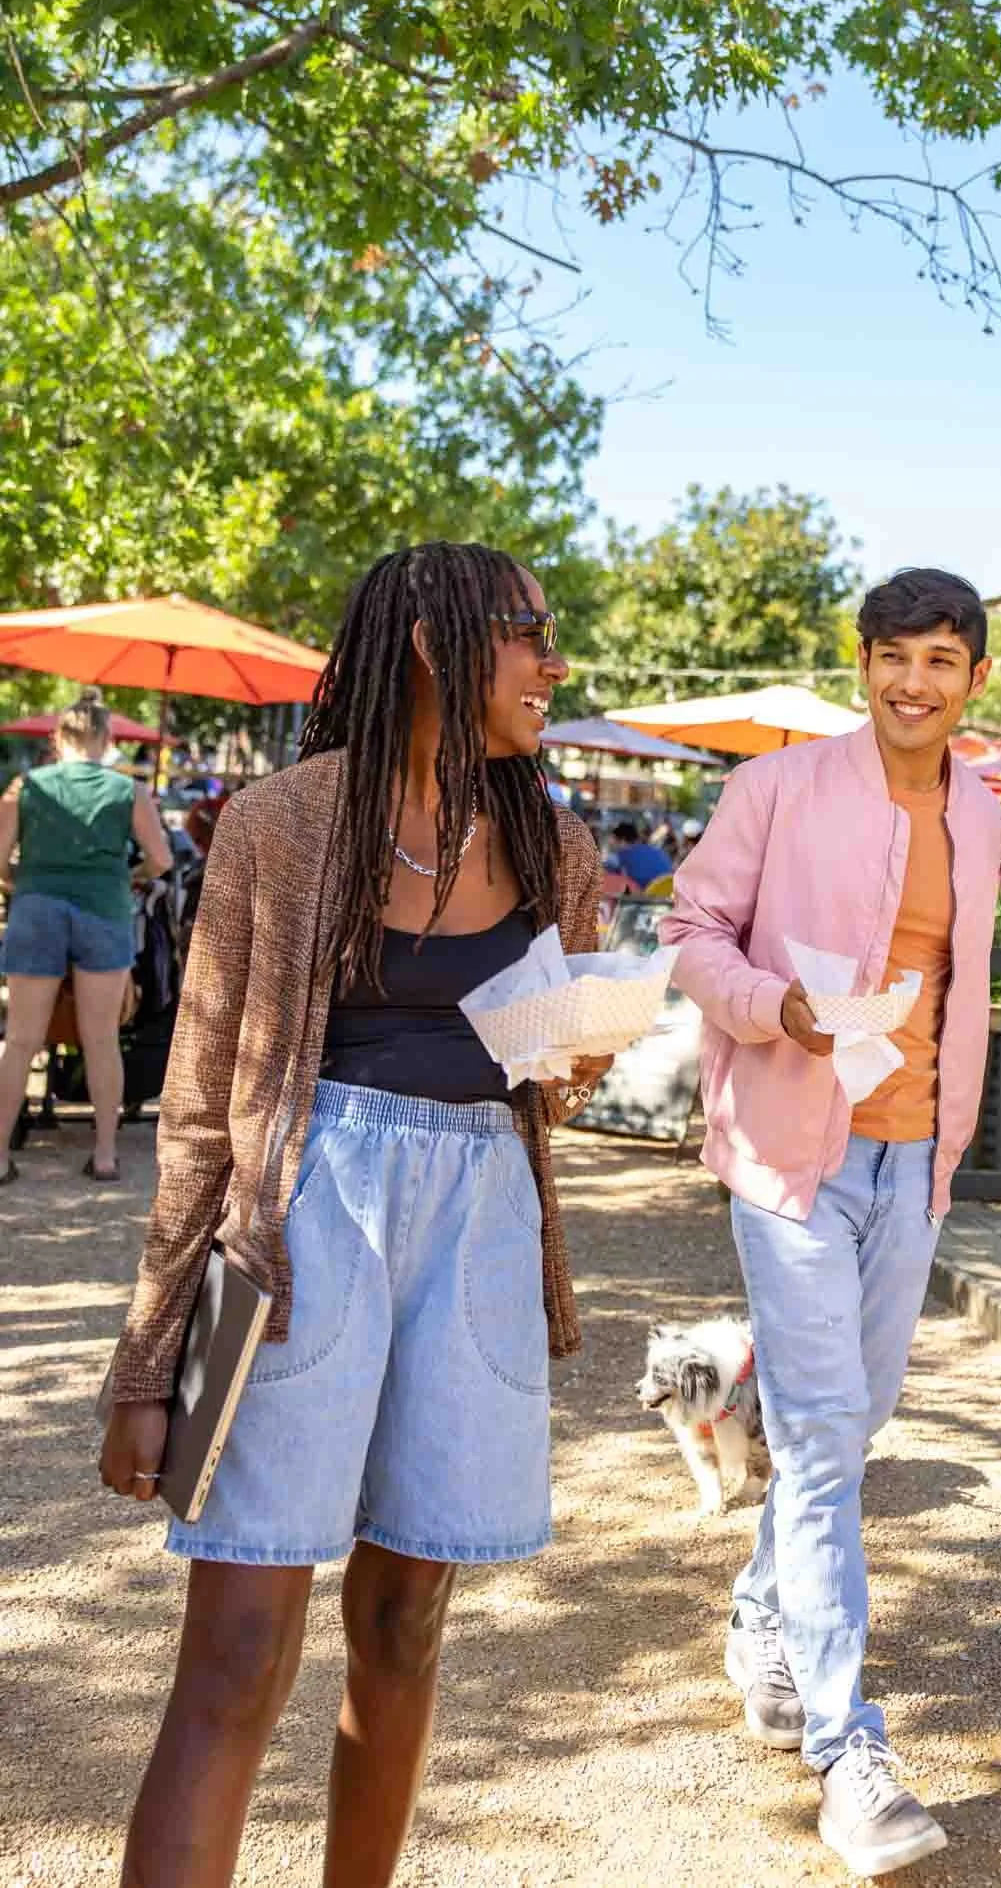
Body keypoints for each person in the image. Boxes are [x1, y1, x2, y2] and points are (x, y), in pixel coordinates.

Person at [99, 544, 607, 1888]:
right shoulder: (279, 821)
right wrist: (148, 1362)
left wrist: (578, 1054)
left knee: (403, 1622)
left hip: (481, 1226)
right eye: (529, 633)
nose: (552, 663)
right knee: (238, 1646)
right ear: (437, 644)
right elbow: (200, 1103)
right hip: (297, 1229)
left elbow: (548, 1077)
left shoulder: (555, 844)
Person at [662, 567, 1001, 1880]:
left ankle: (760, 1617)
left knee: (849, 1426)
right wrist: (775, 1009)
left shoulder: (983, 814)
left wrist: (946, 1143)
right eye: (893, 656)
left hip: (912, 1158)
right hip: (786, 1154)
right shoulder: (776, 789)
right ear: (861, 664)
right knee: (817, 1441)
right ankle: (846, 1752)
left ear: (972, 678)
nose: (913, 682)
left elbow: (959, 985)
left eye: (939, 660)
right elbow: (690, 931)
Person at [0, 691, 173, 1185]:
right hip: (104, 910)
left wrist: (20, 882)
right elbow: (162, 860)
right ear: (107, 739)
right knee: (101, 1040)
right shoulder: (128, 790)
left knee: (20, 1040)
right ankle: (104, 1155)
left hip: (37, 908)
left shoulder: (26, 786)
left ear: (58, 738)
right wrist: (129, 875)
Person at [607, 818, 674, 894]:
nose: (611, 843)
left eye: (613, 840)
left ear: (622, 840)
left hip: (643, 897)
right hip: (668, 894)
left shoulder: (620, 856)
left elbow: (605, 874)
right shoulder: (658, 851)